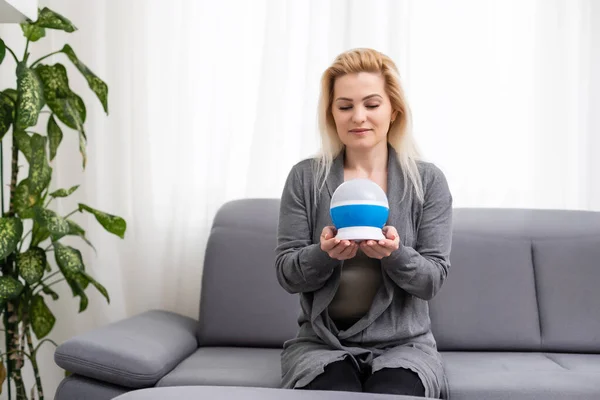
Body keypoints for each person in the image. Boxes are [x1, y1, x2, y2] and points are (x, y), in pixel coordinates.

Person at [274, 48, 453, 398]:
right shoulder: (305, 178)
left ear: (393, 110)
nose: (359, 117)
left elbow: (432, 280)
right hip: (321, 346)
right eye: (345, 106)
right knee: (334, 389)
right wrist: (324, 254)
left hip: (406, 347)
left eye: (371, 104)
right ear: (332, 114)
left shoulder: (428, 181)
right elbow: (287, 274)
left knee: (395, 390)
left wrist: (395, 255)